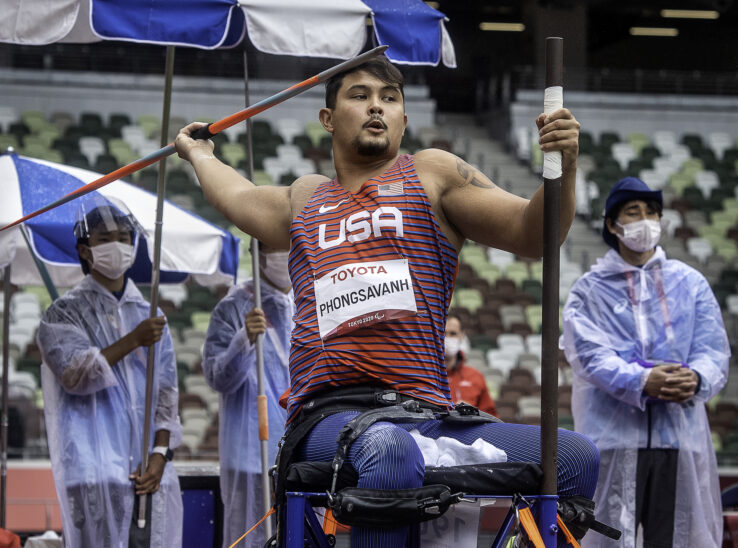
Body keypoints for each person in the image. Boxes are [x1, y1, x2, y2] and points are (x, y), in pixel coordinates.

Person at [176, 55, 599, 547]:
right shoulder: (305, 197)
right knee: (389, 450)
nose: (376, 106)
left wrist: (564, 166)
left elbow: (535, 234)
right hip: (329, 416)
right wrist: (199, 152)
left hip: (426, 413)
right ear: (328, 119)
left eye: (389, 98)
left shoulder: (432, 174)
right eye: (359, 95)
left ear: (403, 119)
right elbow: (237, 195)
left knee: (575, 458)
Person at [561, 176, 730, 547]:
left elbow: (713, 349)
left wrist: (698, 379)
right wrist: (641, 380)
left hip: (678, 441)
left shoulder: (691, 283)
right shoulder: (589, 290)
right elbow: (589, 355)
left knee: (673, 538)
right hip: (613, 439)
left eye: (651, 212)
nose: (645, 220)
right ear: (611, 224)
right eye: (633, 212)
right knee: (607, 536)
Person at [37, 204, 183, 548]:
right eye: (105, 239)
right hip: (92, 470)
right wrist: (134, 340)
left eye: (123, 238)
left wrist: (160, 453)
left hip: (147, 471)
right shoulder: (63, 313)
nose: (117, 245)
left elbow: (166, 393)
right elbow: (75, 374)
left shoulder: (149, 313)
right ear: (86, 251)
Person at [201, 241, 293, 547]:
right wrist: (243, 341)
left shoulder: (307, 301)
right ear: (257, 251)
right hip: (251, 453)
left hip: (299, 452)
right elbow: (217, 377)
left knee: (300, 536)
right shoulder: (233, 307)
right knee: (251, 537)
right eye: (279, 244)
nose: (287, 250)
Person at [445, 314, 497, 416]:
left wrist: (473, 413)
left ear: (462, 335)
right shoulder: (424, 374)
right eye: (443, 333)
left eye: (453, 333)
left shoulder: (475, 376)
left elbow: (491, 417)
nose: (447, 338)